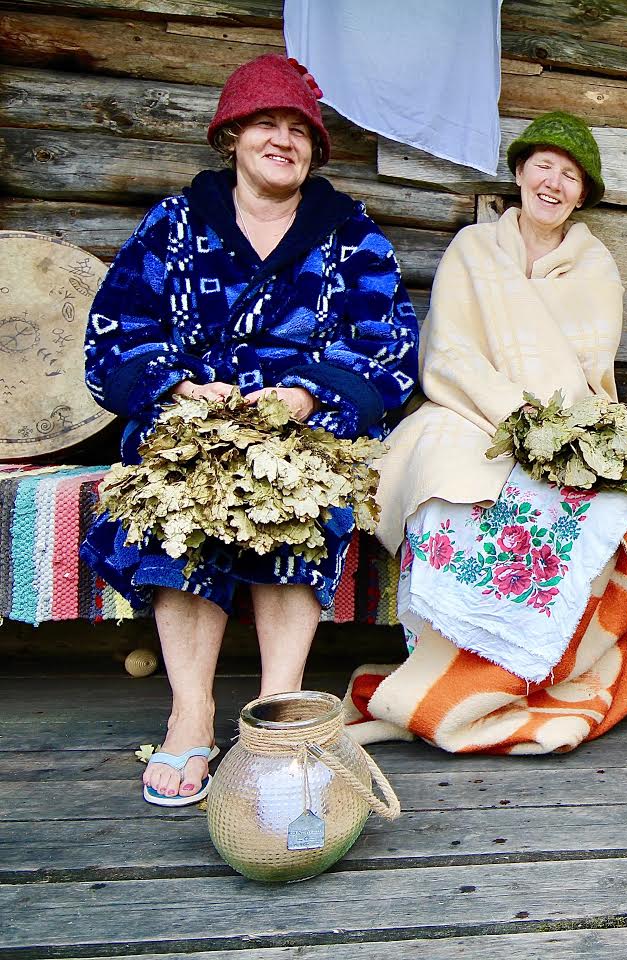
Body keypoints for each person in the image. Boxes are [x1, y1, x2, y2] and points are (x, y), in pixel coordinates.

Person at [81, 53, 420, 806]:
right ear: (230, 135)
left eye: (299, 129)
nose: (283, 139)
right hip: (189, 420)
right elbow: (114, 335)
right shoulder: (173, 225)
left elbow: (388, 349)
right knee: (178, 504)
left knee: (301, 503)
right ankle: (191, 712)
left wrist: (303, 398)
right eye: (266, 122)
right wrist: (181, 390)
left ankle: (277, 715)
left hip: (302, 426)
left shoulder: (351, 237)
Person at [355, 112, 627, 755]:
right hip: (468, 410)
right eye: (543, 166)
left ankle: (540, 671)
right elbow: (449, 352)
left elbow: (589, 367)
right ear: (519, 173)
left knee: (602, 497)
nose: (553, 182)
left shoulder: (595, 266)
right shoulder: (473, 248)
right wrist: (512, 419)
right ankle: (447, 668)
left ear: (582, 195)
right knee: (441, 478)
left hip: (565, 420)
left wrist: (552, 431)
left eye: (570, 175)